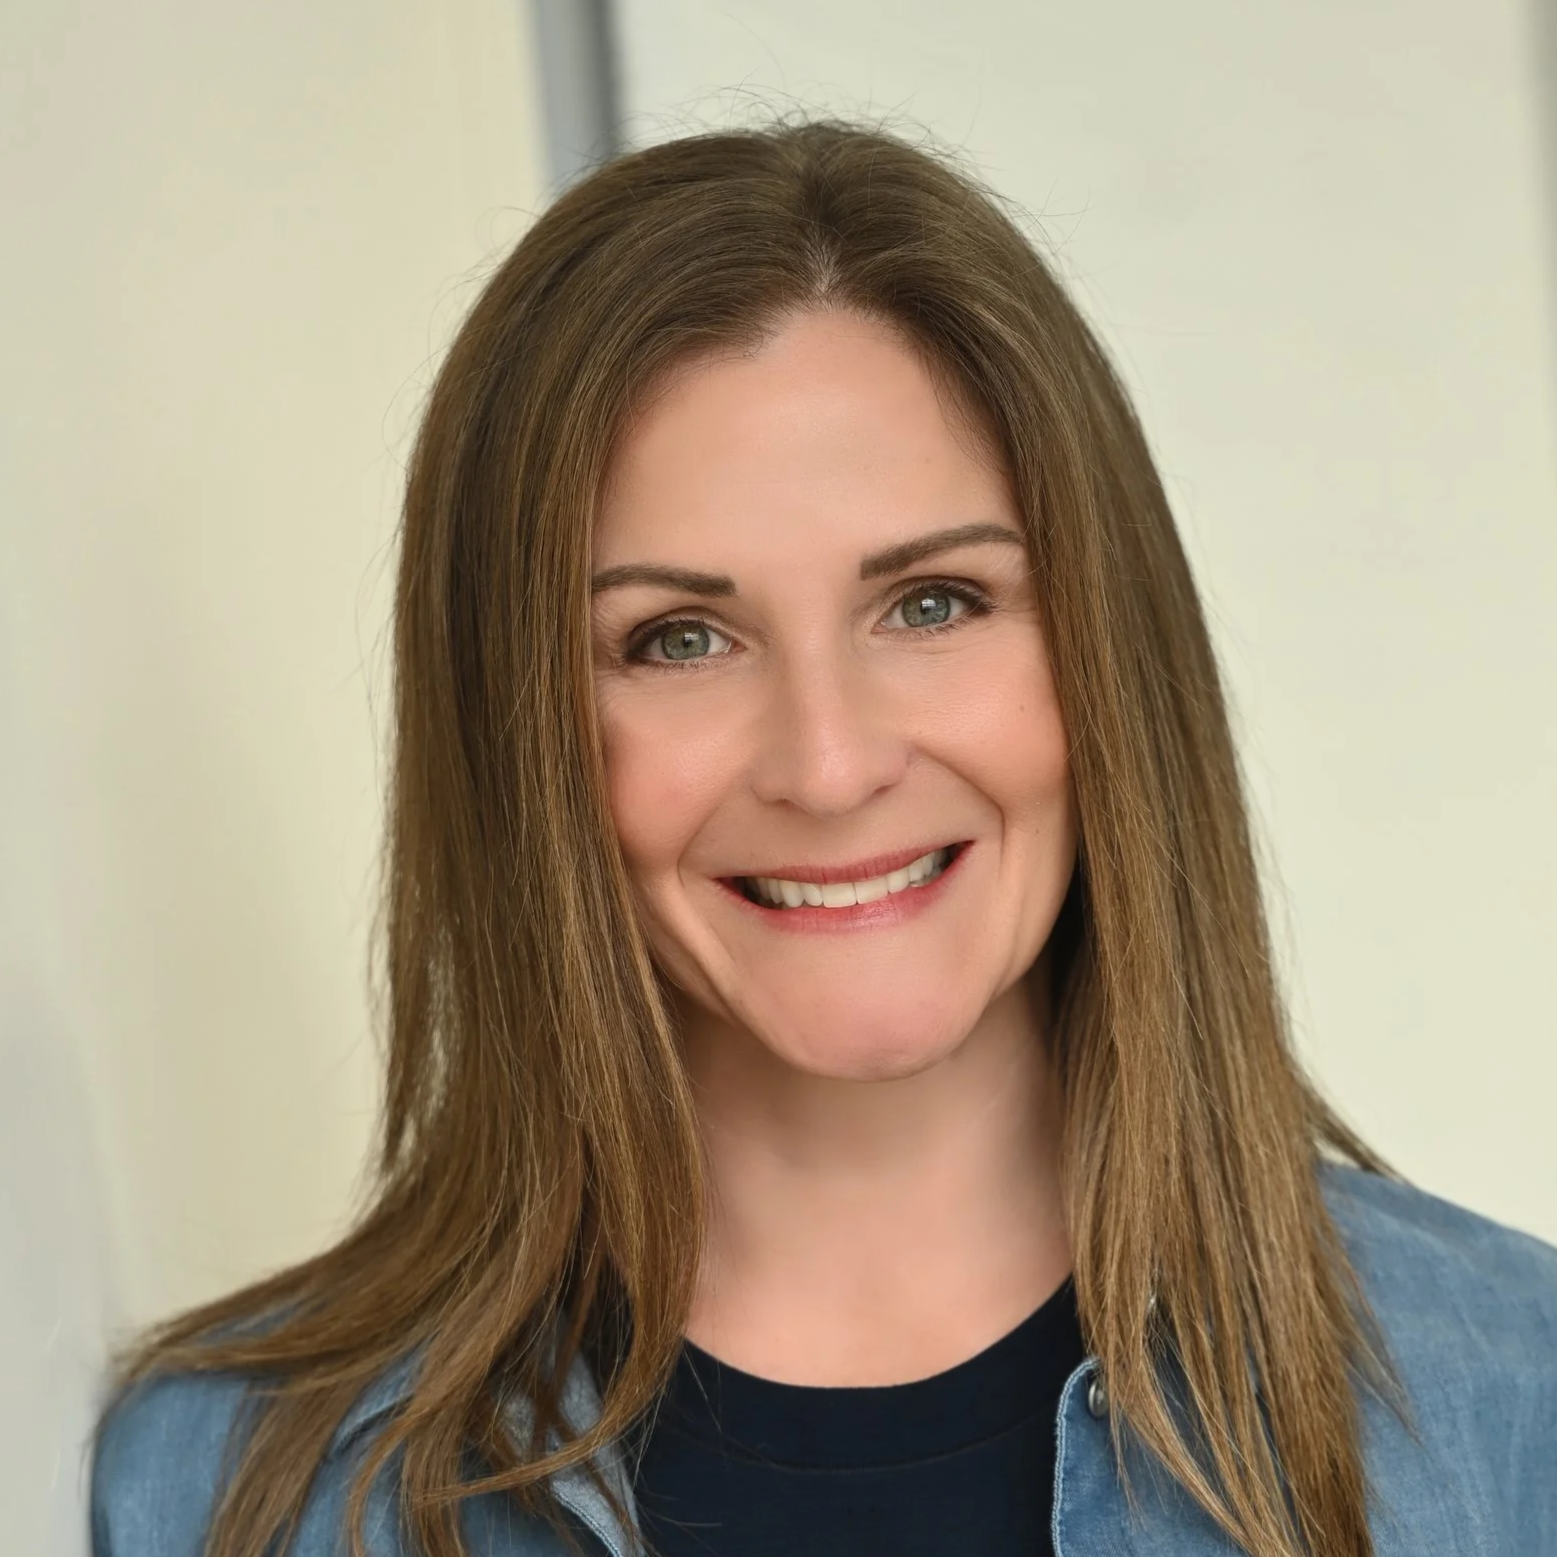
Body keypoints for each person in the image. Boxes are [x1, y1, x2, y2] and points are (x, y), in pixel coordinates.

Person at [89, 120, 1556, 1557]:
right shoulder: (225, 1495)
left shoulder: (1518, 1408)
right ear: (521, 737)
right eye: (677, 638)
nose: (832, 765)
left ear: (1109, 651)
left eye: (932, 604)